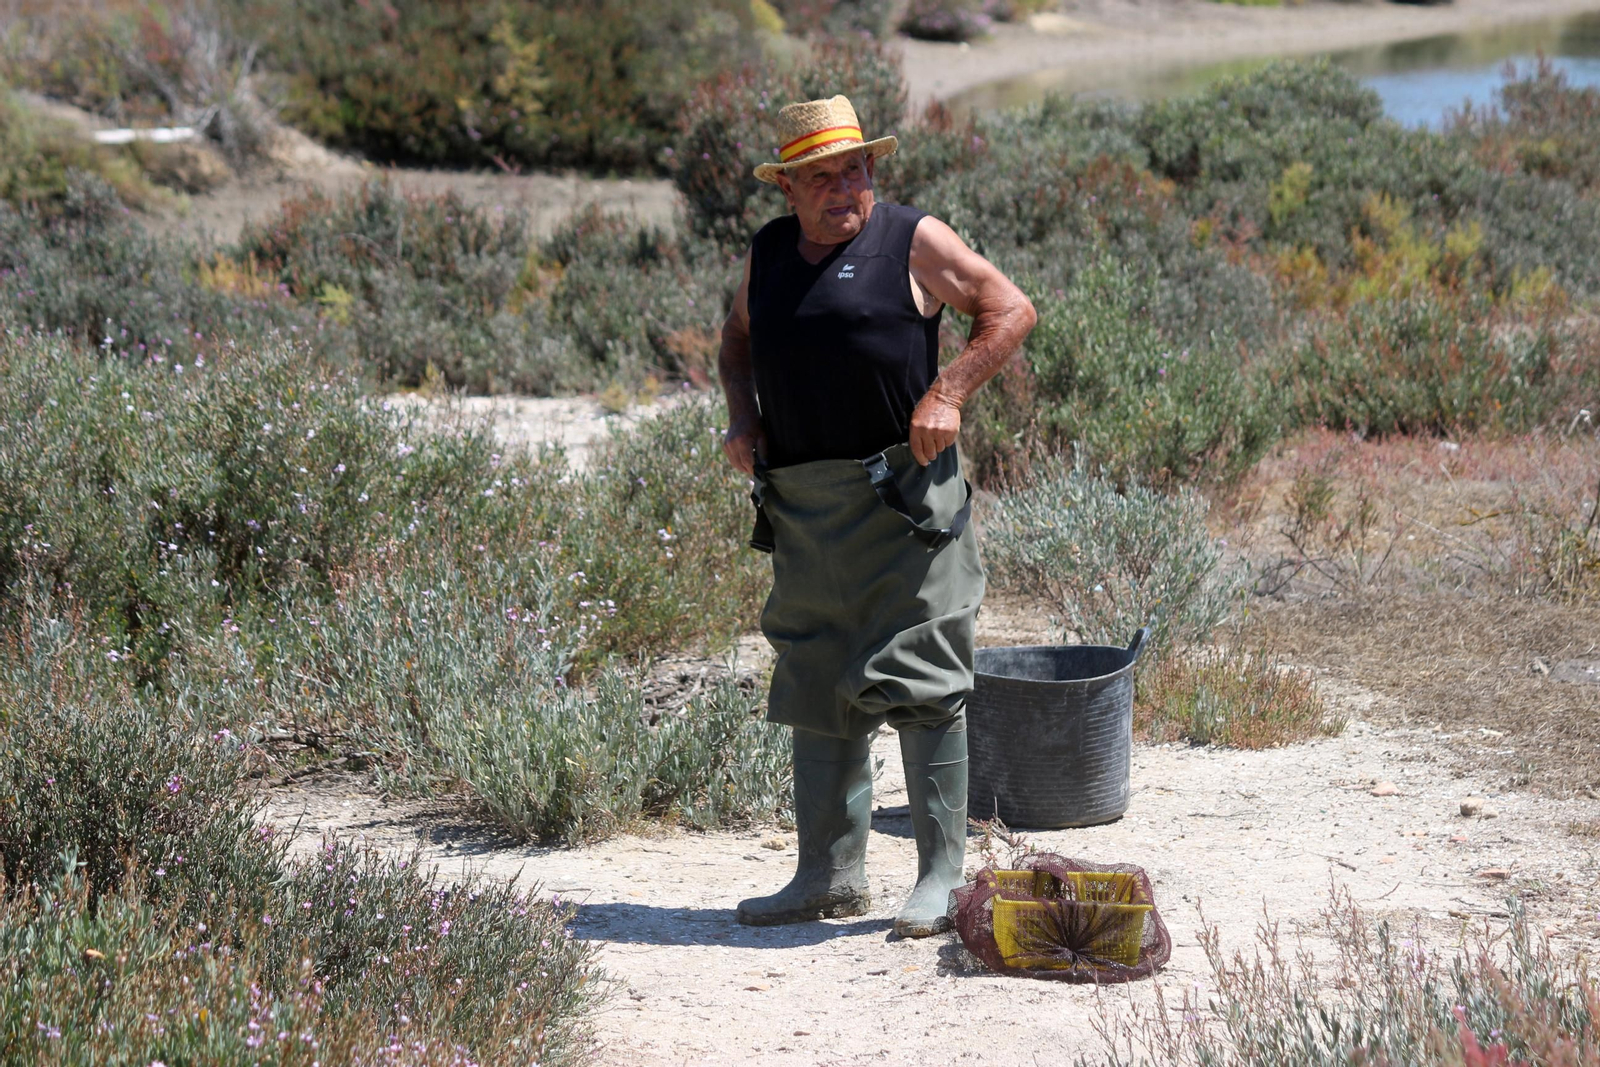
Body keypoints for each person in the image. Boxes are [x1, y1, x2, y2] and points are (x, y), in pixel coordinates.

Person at [719, 95, 1036, 938]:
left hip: (907, 501)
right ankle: (826, 875)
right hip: (806, 510)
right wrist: (742, 419)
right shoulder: (769, 254)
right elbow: (737, 339)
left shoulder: (911, 239)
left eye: (854, 169)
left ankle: (938, 878)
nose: (842, 188)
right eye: (820, 176)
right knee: (818, 678)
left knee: (925, 679)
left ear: (874, 169)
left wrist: (949, 390)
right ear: (787, 187)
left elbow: (1008, 308)